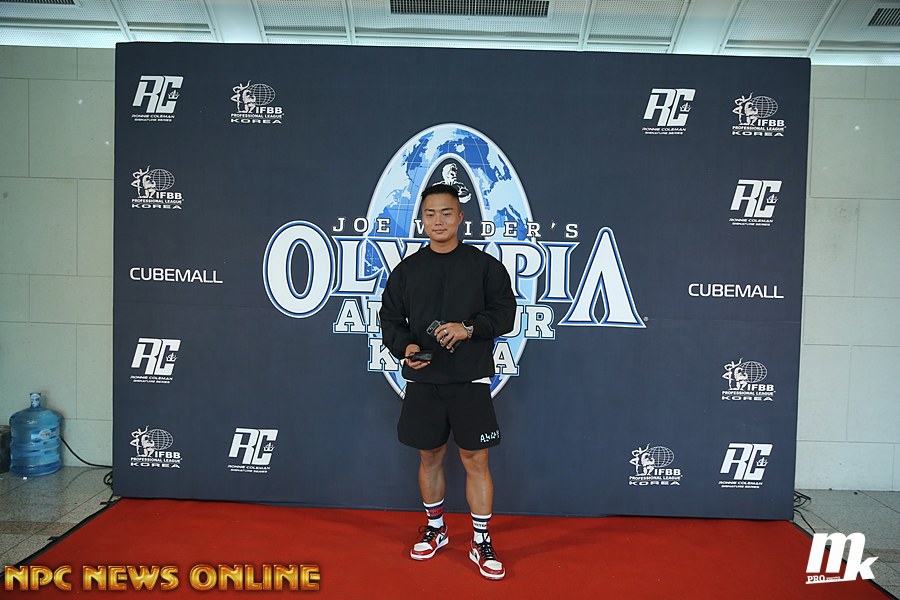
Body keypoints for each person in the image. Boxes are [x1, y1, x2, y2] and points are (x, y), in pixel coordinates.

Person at [380, 183, 516, 580]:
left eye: (445, 212)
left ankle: (481, 540)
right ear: (421, 221)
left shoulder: (484, 267)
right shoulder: (407, 271)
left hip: (470, 379)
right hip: (425, 381)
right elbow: (391, 321)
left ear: (460, 217)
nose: (438, 220)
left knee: (477, 460)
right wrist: (405, 348)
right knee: (430, 457)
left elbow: (505, 314)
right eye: (430, 214)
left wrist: (468, 328)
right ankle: (436, 528)